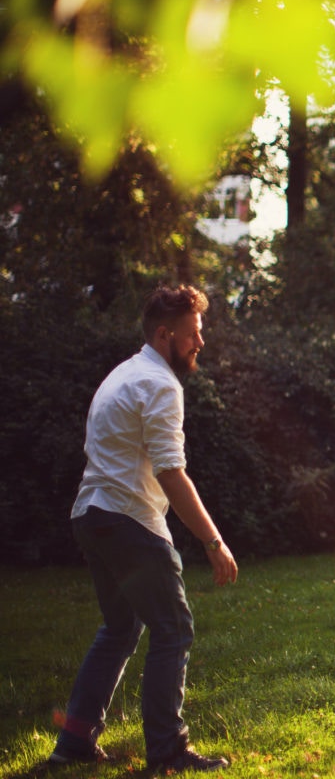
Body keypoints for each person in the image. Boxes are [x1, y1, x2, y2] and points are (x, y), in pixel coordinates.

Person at [50, 285, 238, 773]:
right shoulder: (158, 384)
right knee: (173, 629)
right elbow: (171, 473)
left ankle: (73, 744)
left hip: (92, 515)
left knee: (120, 628)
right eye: (193, 334)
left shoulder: (123, 374)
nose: (200, 343)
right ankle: (168, 751)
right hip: (127, 520)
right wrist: (213, 541)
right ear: (164, 334)